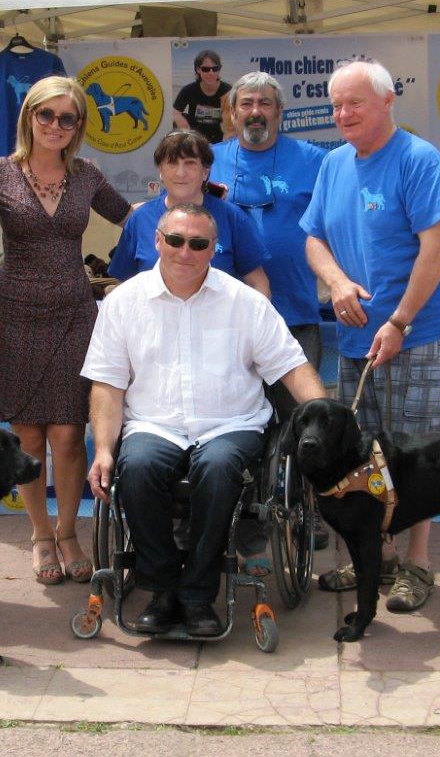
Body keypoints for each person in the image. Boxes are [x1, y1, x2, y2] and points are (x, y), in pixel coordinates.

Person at [83, 204, 326, 636]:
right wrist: (103, 449)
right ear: (157, 241)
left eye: (198, 243)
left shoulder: (245, 302)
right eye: (175, 240)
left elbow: (292, 367)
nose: (184, 252)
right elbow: (107, 384)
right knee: (135, 467)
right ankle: (161, 590)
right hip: (153, 424)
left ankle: (197, 595)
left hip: (230, 424)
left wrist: (328, 422)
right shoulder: (122, 302)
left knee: (217, 468)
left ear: (214, 249)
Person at [300, 60, 440, 613]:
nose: (342, 114)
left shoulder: (419, 162)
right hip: (355, 337)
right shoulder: (333, 165)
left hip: (415, 333)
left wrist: (398, 321)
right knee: (365, 452)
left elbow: (438, 250)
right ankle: (378, 556)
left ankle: (417, 564)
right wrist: (337, 281)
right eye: (336, 105)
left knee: (415, 450)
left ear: (387, 102)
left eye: (355, 104)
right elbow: (314, 240)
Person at [0, 77, 131, 585]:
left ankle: (68, 532)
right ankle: (39, 534)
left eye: (68, 118)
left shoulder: (87, 175)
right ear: (29, 117)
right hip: (13, 312)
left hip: (74, 313)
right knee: (27, 437)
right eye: (47, 115)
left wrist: (204, 204)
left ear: (79, 125)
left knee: (67, 432)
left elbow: (137, 218)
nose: (56, 125)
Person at [210, 72, 327, 418]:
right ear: (232, 113)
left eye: (265, 103)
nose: (255, 111)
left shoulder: (314, 160)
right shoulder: (206, 159)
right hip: (222, 320)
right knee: (232, 423)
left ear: (279, 112)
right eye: (246, 103)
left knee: (299, 422)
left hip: (295, 314)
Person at [108, 130, 271, 298]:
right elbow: (123, 286)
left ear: (205, 172)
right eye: (172, 163)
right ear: (160, 171)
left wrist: (253, 322)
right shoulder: (140, 219)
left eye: (190, 163)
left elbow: (257, 282)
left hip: (217, 323)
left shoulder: (232, 217)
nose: (180, 173)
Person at [172, 49, 231, 144]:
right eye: (206, 69)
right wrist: (182, 124)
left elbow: (235, 118)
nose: (211, 73)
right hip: (195, 141)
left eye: (215, 68)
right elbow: (175, 112)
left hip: (221, 142)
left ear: (219, 69)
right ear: (198, 69)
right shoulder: (188, 90)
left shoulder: (228, 91)